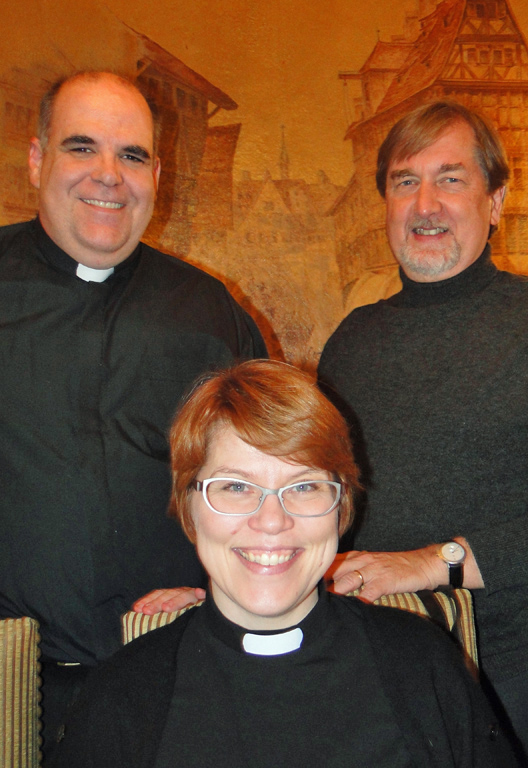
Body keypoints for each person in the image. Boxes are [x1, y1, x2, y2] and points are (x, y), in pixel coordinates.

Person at [49, 359, 516, 768]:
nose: (272, 522)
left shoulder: (420, 662)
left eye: (304, 486)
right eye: (235, 487)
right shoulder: (122, 693)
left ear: (341, 507)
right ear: (189, 505)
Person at [0, 70, 266, 756]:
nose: (109, 176)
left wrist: (226, 587)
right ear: (38, 160)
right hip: (6, 686)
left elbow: (276, 483)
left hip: (174, 682)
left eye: (134, 155)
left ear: (157, 174)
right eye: (82, 147)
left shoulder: (210, 313)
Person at [316, 101, 528, 767]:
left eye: (452, 179)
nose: (425, 204)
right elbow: (323, 508)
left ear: (497, 201)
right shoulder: (352, 342)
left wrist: (439, 562)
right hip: (376, 670)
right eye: (405, 182)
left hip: (517, 680)